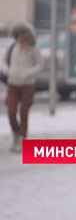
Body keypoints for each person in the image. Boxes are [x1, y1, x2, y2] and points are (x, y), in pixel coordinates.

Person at [2, 22, 43, 152]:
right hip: (13, 83)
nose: (21, 37)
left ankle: (22, 137)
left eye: (23, 34)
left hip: (27, 84)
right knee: (11, 111)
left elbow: (39, 65)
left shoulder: (33, 48)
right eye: (19, 34)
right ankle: (15, 133)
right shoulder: (13, 47)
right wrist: (8, 71)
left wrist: (28, 73)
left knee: (24, 112)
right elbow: (3, 61)